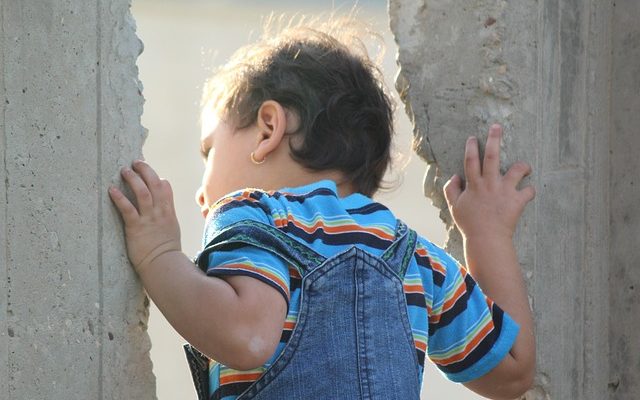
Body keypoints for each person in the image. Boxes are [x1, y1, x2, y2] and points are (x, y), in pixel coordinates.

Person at [108, 13, 536, 400]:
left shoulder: (254, 215)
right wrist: (486, 234)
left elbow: (247, 335)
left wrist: (158, 255)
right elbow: (513, 370)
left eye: (209, 151)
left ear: (268, 131)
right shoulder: (414, 255)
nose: (202, 193)